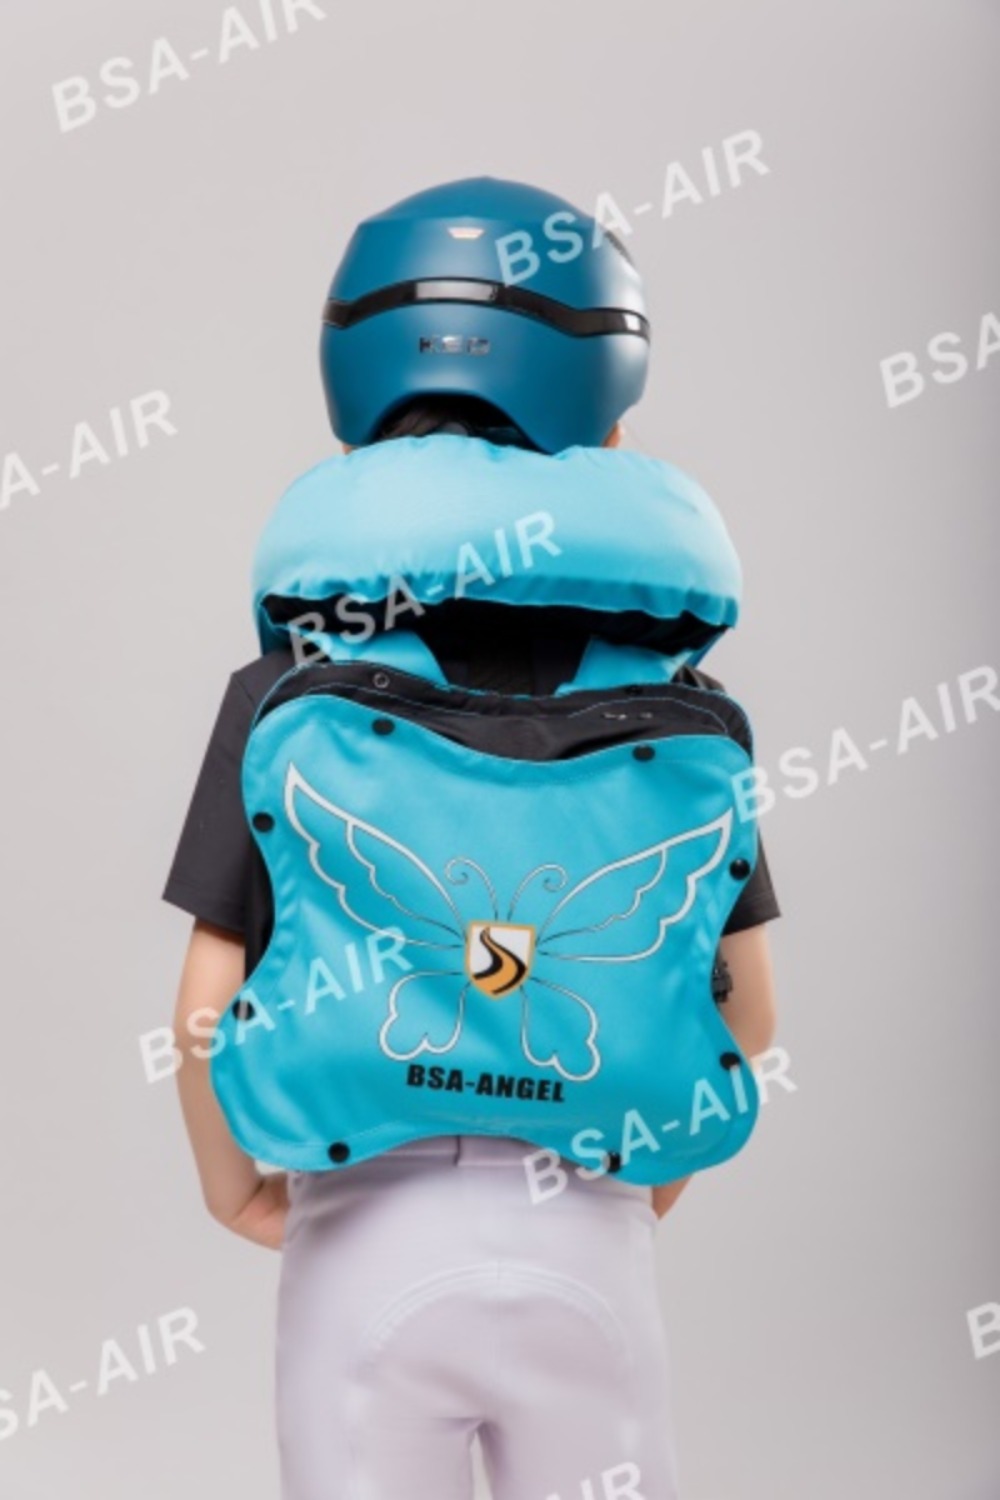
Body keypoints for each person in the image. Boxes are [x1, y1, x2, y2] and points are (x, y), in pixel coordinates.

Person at [163, 176, 779, 1500]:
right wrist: (637, 1191)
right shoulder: (681, 705)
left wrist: (238, 1194)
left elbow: (204, 1011)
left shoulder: (284, 694)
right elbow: (750, 1016)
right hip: (592, 1240)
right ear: (609, 400)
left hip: (357, 1238)